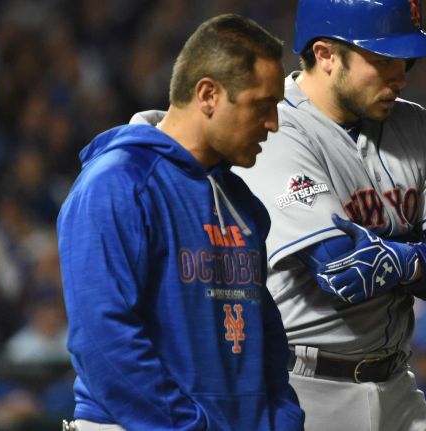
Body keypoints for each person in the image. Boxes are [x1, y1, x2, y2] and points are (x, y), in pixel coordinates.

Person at [223, 1, 426, 430]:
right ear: (326, 55)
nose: (400, 75)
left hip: (399, 384)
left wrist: (406, 261)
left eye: (405, 60)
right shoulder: (274, 128)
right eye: (383, 60)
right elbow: (343, 271)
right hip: (303, 385)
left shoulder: (417, 127)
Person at [57, 14, 304, 431]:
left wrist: (281, 420)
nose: (273, 124)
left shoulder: (242, 201)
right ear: (208, 93)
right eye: (261, 106)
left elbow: (268, 341)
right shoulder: (117, 183)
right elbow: (102, 340)